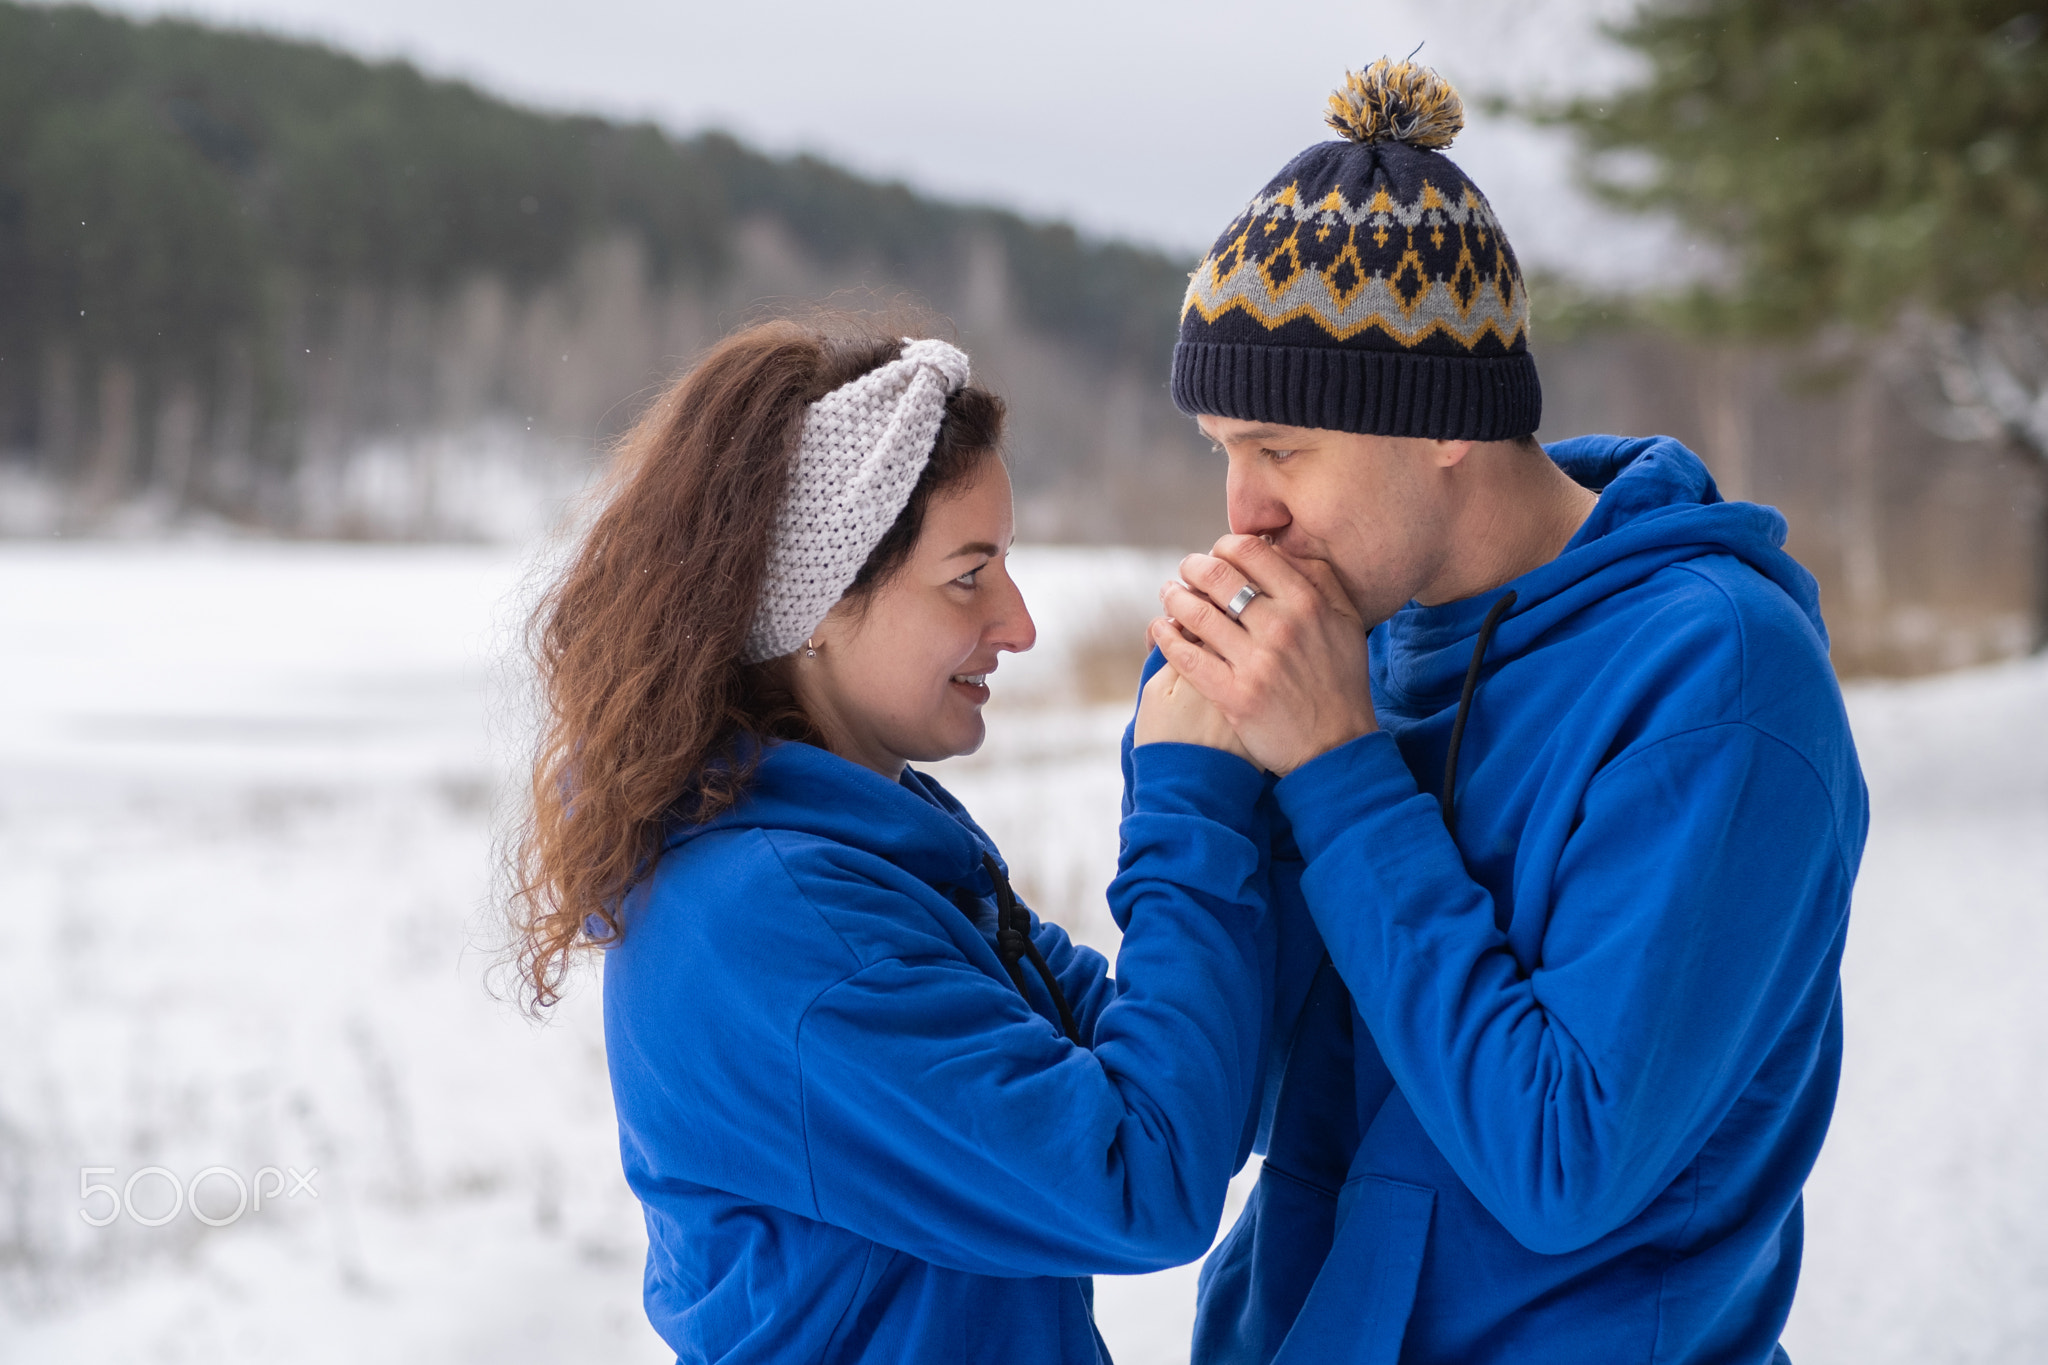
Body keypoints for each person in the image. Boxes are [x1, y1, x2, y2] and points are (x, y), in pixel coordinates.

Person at [1137, 60, 1870, 1364]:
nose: (1241, 516)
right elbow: (1235, 1104)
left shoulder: (1718, 682)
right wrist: (1194, 790)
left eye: (1280, 451)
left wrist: (1339, 770)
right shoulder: (1347, 647)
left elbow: (1564, 1163)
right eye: (1223, 453)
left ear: (1438, 423)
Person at [510, 316, 1271, 1363]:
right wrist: (1191, 803)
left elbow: (1189, 1073)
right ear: (816, 604)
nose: (1019, 623)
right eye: (968, 574)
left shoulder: (870, 853)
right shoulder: (786, 927)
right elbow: (1142, 1182)